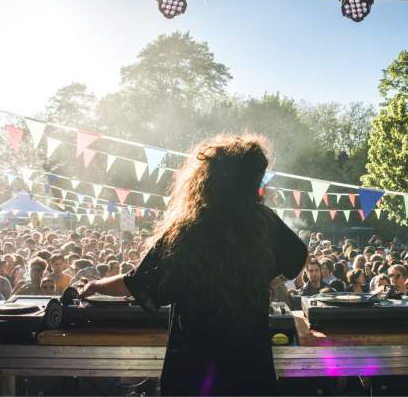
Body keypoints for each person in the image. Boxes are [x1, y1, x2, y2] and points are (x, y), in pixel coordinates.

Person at [80, 134, 307, 395]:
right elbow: (298, 256)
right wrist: (266, 279)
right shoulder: (265, 223)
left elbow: (136, 283)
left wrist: (96, 284)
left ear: (207, 179)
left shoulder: (187, 230)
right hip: (249, 370)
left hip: (194, 371)